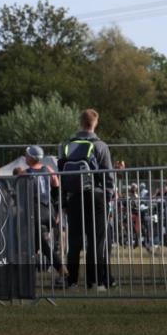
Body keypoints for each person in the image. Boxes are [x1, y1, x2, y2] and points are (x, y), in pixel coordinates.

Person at [59, 109, 115, 290]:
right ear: (95, 123)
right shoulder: (100, 146)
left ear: (80, 122)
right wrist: (108, 195)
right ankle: (95, 281)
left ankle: (72, 280)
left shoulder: (67, 145)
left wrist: (64, 199)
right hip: (96, 195)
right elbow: (108, 174)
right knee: (96, 241)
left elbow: (61, 174)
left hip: (74, 195)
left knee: (74, 241)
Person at [21, 145, 64, 285]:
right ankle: (23, 275)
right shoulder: (49, 170)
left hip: (35, 212)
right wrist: (57, 211)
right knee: (35, 245)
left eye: (26, 154)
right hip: (48, 210)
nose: (25, 156)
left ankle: (64, 272)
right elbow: (56, 188)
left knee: (41, 246)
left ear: (31, 157)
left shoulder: (24, 173)